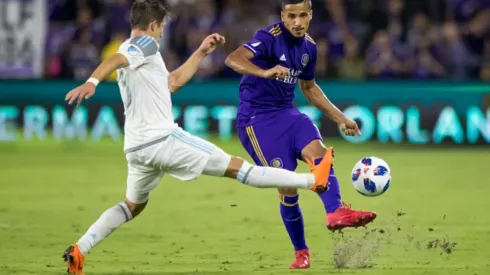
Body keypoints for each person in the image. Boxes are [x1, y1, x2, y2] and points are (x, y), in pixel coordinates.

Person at [61, 1, 334, 274]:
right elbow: (115, 60)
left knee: (132, 206)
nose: (162, 34)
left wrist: (201, 52)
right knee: (240, 169)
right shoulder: (144, 45)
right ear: (154, 25)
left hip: (136, 149)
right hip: (162, 140)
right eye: (162, 28)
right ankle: (313, 179)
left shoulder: (142, 57)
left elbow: (172, 83)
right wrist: (92, 81)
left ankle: (80, 249)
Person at [224, 0, 377, 269]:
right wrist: (264, 71)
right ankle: (301, 252)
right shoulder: (268, 38)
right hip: (257, 121)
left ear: (310, 16)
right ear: (283, 16)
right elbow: (232, 58)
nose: (297, 22)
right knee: (288, 187)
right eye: (291, 16)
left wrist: (341, 118)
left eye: (302, 15)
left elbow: (309, 88)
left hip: (287, 113)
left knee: (319, 153)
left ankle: (335, 212)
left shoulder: (309, 47)